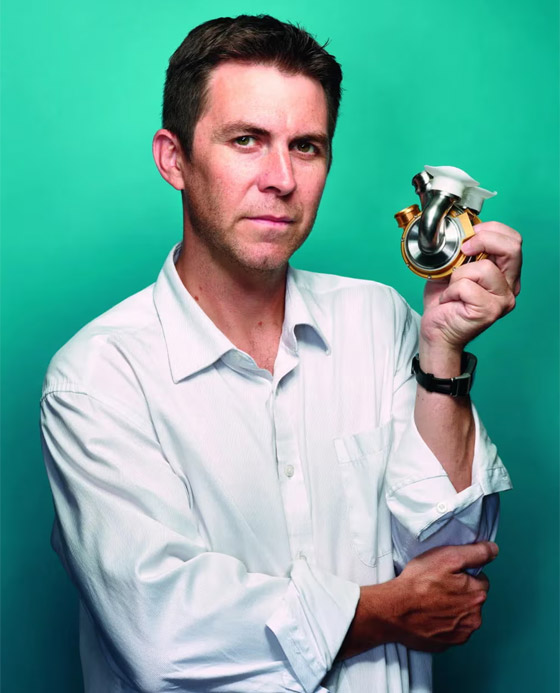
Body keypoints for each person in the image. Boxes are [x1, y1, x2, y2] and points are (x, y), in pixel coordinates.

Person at [40, 14, 522, 693]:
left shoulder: (381, 319)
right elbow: (164, 635)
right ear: (174, 159)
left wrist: (442, 349)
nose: (281, 178)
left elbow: (451, 567)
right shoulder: (96, 378)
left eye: (306, 147)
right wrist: (382, 612)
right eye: (247, 140)